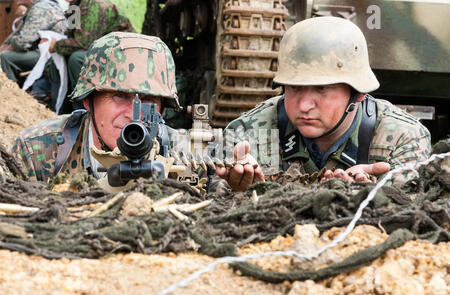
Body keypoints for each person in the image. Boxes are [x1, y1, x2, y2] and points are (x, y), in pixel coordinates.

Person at [215, 17, 431, 192]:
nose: (305, 105)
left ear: (358, 94)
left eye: (322, 88)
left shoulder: (403, 139)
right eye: (295, 88)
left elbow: (415, 215)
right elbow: (211, 204)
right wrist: (243, 192)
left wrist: (373, 196)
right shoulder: (248, 134)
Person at [11, 32, 180, 184]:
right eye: (119, 96)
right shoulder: (37, 150)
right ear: (88, 100)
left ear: (161, 109)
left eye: (148, 100)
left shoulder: (182, 155)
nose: (131, 115)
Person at [45, 0, 134, 114]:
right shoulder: (75, 6)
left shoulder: (95, 4)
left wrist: (56, 45)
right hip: (102, 51)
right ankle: (58, 110)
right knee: (58, 58)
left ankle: (82, 112)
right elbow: (72, 35)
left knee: (76, 59)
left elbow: (84, 43)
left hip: (120, 56)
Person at [0, 0, 67, 82]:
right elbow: (17, 33)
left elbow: (22, 42)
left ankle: (12, 91)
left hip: (52, 54)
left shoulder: (41, 8)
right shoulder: (35, 6)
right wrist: (5, 45)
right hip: (43, 52)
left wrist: (5, 48)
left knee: (5, 57)